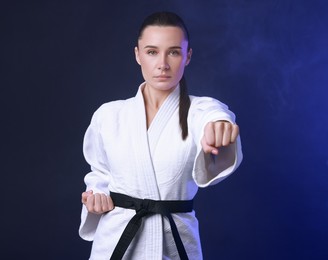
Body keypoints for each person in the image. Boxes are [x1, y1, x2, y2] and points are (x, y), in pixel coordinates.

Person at [79, 11, 243, 260]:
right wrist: (96, 195)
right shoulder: (108, 115)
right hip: (115, 243)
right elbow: (100, 173)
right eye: (152, 52)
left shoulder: (199, 112)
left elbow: (214, 114)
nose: (162, 64)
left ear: (187, 56)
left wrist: (220, 124)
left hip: (175, 245)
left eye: (174, 52)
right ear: (138, 54)